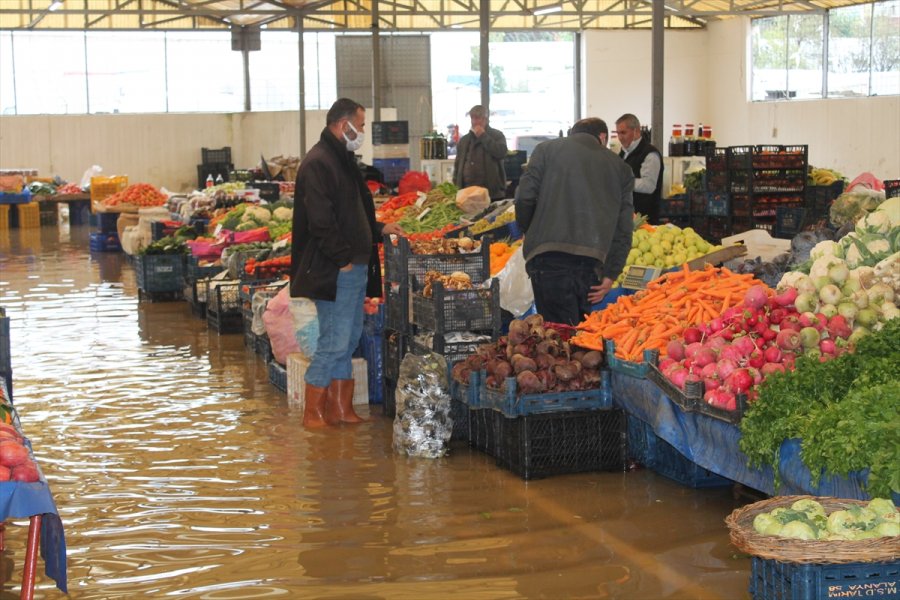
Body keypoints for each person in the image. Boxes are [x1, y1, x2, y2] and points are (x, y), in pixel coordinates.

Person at [290, 98, 404, 428]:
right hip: (336, 268)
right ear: (345, 125)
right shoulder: (318, 163)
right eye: (362, 125)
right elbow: (320, 221)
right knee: (333, 341)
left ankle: (341, 408)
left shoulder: (342, 159)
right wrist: (342, 260)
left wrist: (380, 228)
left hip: (353, 265)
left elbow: (353, 213)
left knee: (350, 337)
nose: (363, 131)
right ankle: (313, 413)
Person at [514, 117, 634, 326]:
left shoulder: (545, 150)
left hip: (547, 260)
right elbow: (623, 228)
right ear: (602, 137)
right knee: (580, 335)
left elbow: (524, 197)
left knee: (556, 338)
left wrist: (528, 229)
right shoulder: (621, 168)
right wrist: (611, 274)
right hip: (590, 264)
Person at [453, 105, 508, 201]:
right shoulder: (464, 140)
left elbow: (501, 153)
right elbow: (458, 164)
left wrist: (483, 136)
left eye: (477, 118)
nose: (474, 122)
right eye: (472, 118)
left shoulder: (497, 135)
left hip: (491, 192)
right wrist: (456, 184)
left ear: (485, 119)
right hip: (467, 192)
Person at [615, 113, 663, 225]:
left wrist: (622, 181)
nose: (620, 137)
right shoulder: (623, 153)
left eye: (623, 133)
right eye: (618, 133)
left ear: (636, 131)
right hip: (627, 218)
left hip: (645, 221)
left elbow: (648, 185)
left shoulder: (650, 154)